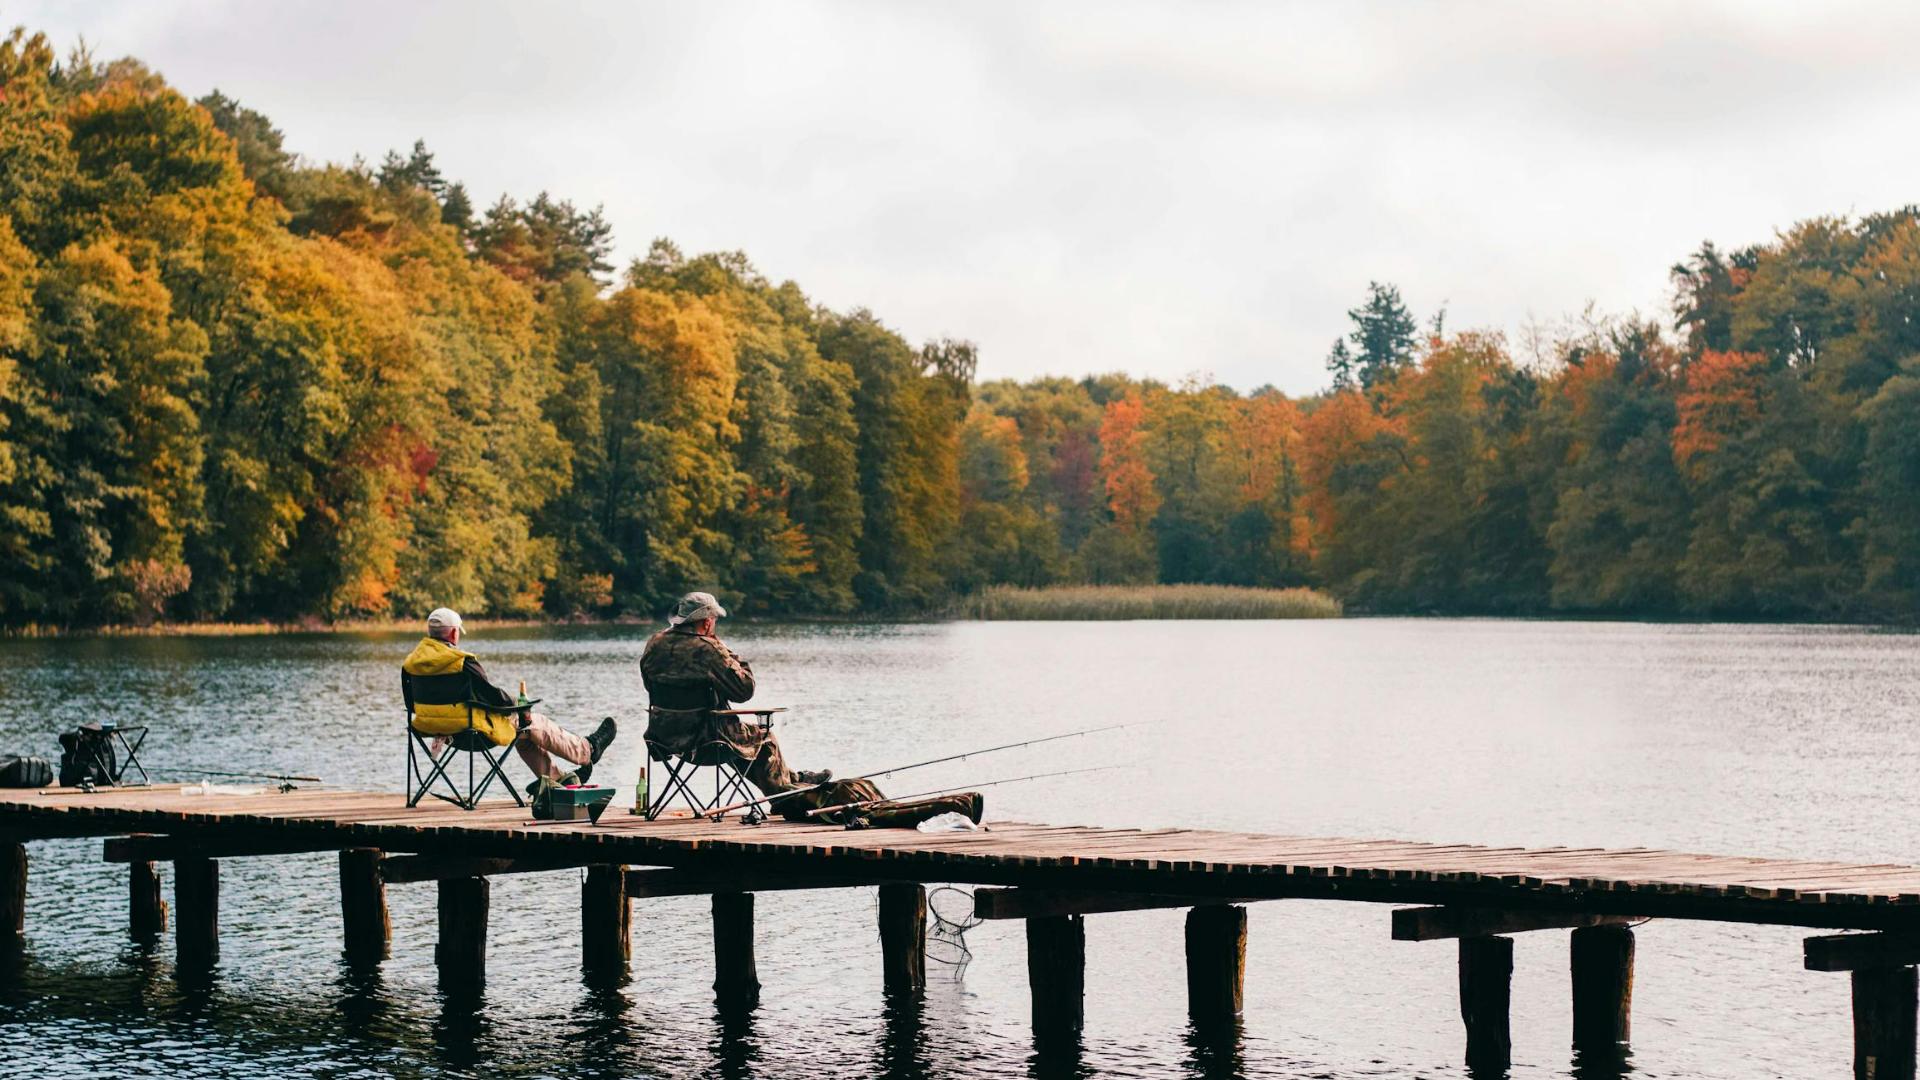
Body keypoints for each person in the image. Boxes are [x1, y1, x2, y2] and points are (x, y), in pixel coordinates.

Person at [640, 591, 983, 827]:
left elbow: (651, 684)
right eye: (714, 621)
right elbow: (744, 690)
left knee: (747, 742)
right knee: (764, 737)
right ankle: (790, 794)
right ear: (707, 622)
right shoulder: (708, 649)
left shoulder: (653, 645)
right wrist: (727, 651)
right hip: (706, 739)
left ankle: (794, 783)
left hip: (665, 739)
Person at [403, 607, 616, 784]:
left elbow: (410, 705)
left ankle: (559, 781)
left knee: (524, 733)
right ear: (452, 634)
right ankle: (587, 750)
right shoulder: (462, 662)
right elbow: (494, 697)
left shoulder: (411, 664)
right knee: (531, 722)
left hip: (437, 732)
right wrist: (516, 704)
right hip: (473, 733)